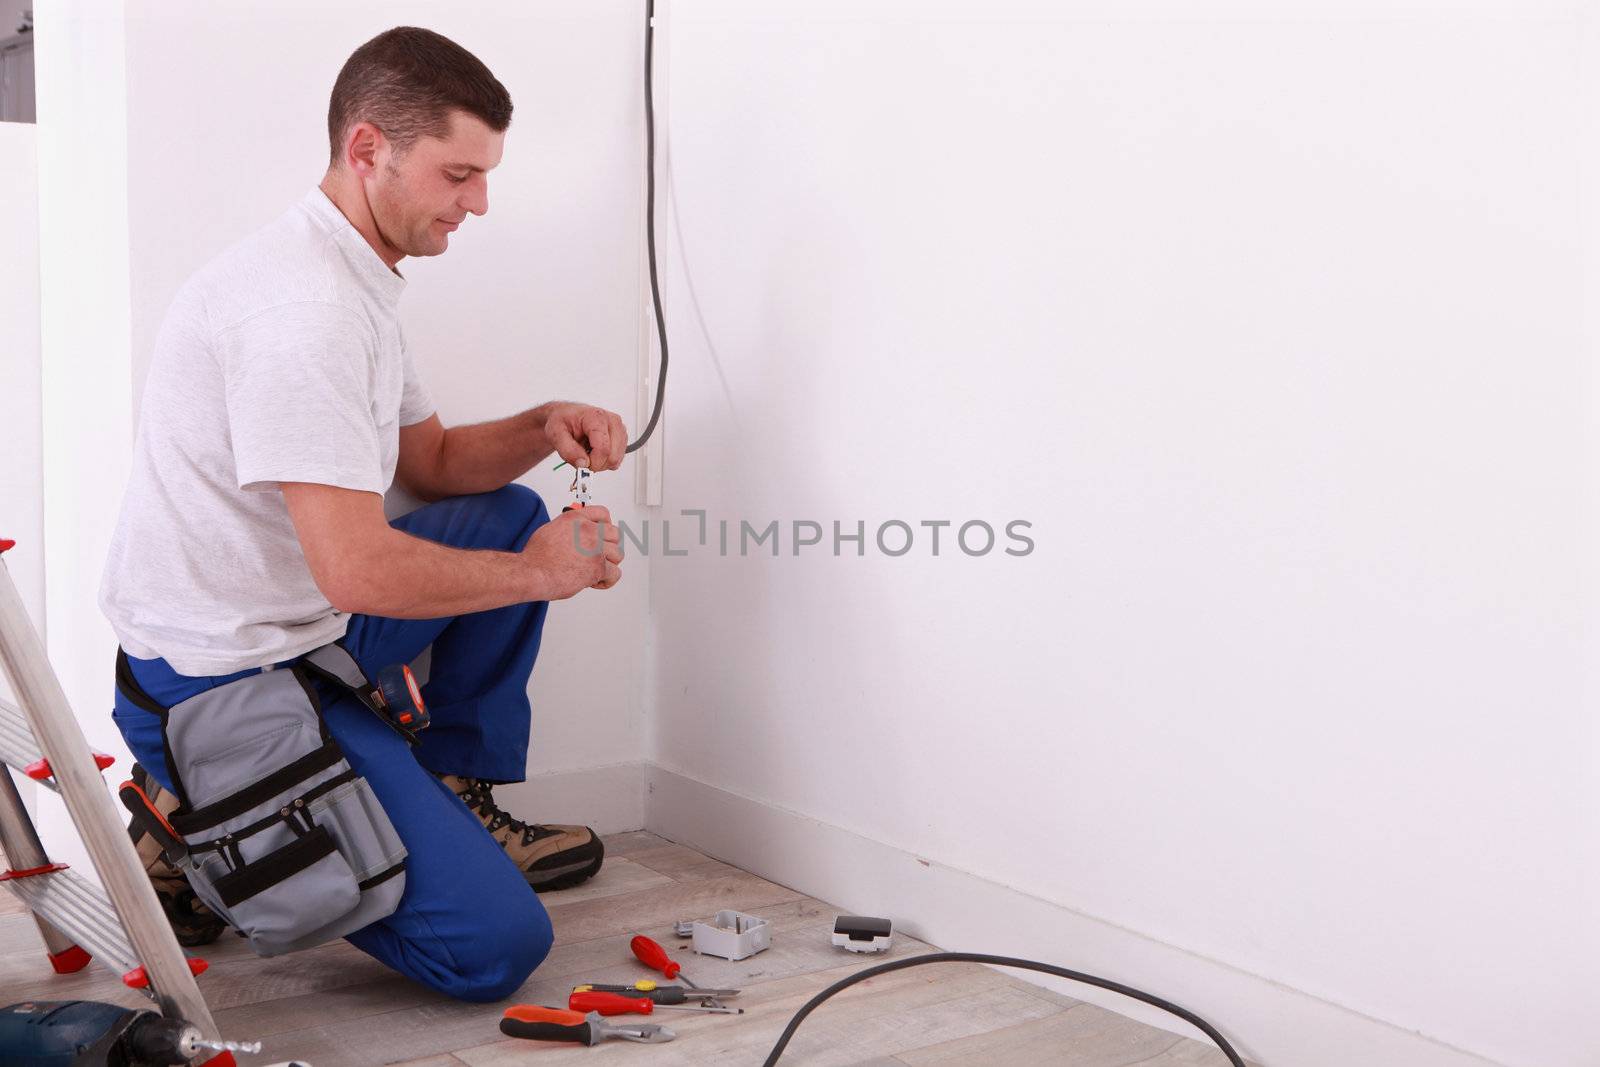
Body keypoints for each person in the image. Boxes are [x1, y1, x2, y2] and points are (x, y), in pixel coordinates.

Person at [99, 25, 626, 1002]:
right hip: (218, 680)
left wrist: (541, 423)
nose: (477, 203)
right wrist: (545, 573)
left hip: (303, 627)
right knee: (495, 948)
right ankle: (201, 819)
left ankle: (448, 793)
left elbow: (428, 464)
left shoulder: (356, 276)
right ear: (369, 149)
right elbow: (357, 569)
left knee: (505, 508)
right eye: (458, 174)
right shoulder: (301, 315)